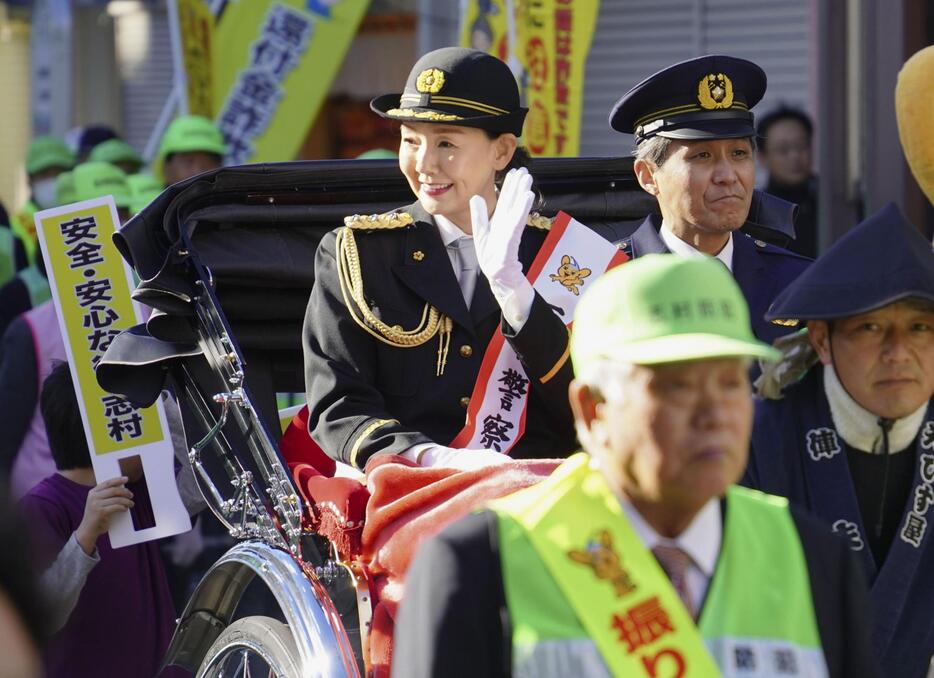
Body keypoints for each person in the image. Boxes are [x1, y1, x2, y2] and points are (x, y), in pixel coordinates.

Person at [393, 254, 878, 678]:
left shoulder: (813, 558)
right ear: (592, 409)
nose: (714, 414)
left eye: (730, 382)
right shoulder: (481, 565)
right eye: (677, 386)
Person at [304, 47, 576, 470]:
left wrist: (515, 291)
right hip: (409, 490)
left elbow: (593, 402)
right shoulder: (357, 253)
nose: (425, 164)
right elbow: (337, 404)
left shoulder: (564, 256)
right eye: (410, 141)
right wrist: (427, 457)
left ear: (502, 152)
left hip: (536, 495)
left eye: (447, 143)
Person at [744, 202, 934, 677]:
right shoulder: (758, 436)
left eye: (920, 328)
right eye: (871, 328)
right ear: (822, 340)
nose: (898, 353)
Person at [607, 55, 811, 345]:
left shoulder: (799, 282)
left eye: (739, 154)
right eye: (702, 156)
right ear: (649, 176)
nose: (728, 176)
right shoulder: (607, 282)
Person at [18, 363, 197, 678]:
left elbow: (202, 486)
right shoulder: (41, 507)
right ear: (104, 436)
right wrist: (84, 536)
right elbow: (38, 616)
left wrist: (162, 404)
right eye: (135, 426)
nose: (151, 442)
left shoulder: (136, 490)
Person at [0, 162, 132, 498]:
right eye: (104, 216)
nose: (117, 228)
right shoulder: (31, 328)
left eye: (124, 215)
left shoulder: (155, 316)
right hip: (48, 511)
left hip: (129, 501)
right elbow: (9, 431)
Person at [757, 106, 818, 257]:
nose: (795, 156)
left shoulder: (833, 203)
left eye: (801, 146)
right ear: (763, 158)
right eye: (783, 150)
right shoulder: (755, 214)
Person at [12, 135, 75, 269]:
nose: (53, 180)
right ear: (29, 180)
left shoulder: (86, 216)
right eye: (44, 174)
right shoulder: (16, 227)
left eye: (59, 173)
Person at [154, 115, 226, 187]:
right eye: (188, 162)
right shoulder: (147, 197)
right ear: (166, 168)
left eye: (207, 163)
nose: (198, 172)